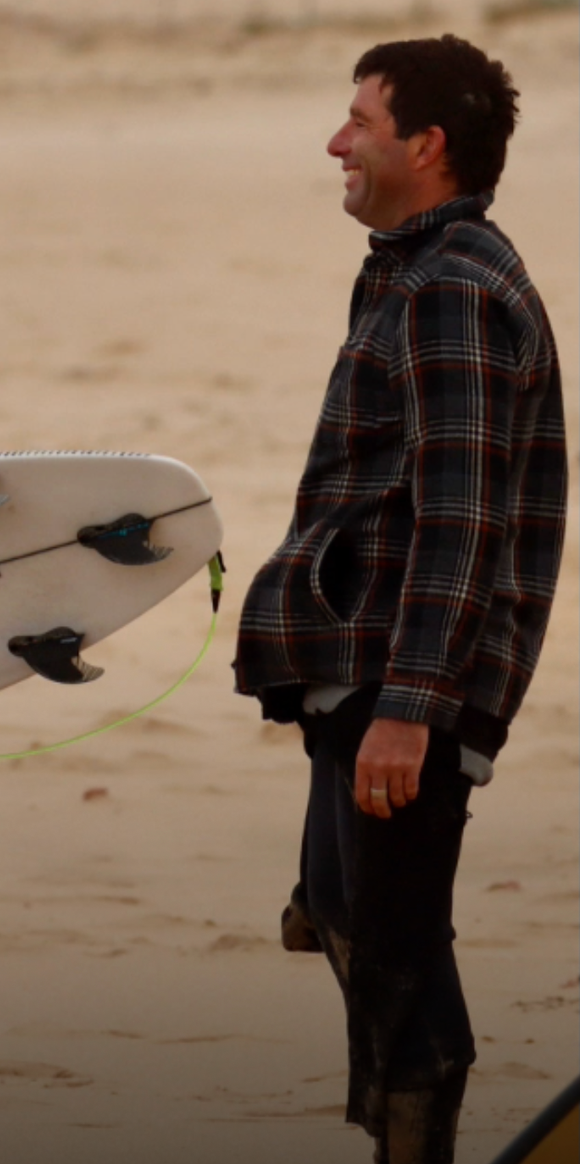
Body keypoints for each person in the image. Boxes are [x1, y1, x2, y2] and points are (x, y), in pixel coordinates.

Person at [233, 36, 566, 1164]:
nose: (336, 141)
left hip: (405, 684)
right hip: (367, 673)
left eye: (358, 122)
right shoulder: (410, 269)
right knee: (342, 919)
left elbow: (459, 520)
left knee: (395, 966)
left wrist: (408, 708)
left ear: (423, 146)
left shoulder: (451, 290)